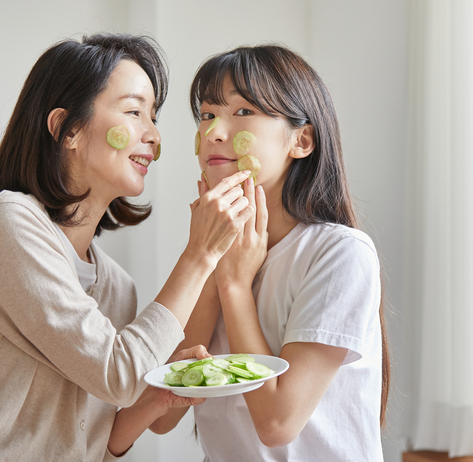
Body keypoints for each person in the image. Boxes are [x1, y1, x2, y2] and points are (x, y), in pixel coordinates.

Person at [0, 33, 254, 461]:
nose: (153, 136)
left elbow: (95, 445)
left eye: (153, 117)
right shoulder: (8, 223)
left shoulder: (117, 288)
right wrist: (200, 256)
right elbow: (118, 373)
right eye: (135, 111)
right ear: (67, 129)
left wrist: (157, 397)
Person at [149, 44, 390, 461]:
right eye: (207, 114)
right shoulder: (210, 253)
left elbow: (277, 423)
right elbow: (160, 416)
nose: (214, 133)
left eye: (243, 112)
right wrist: (209, 260)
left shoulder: (340, 254)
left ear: (302, 140)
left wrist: (236, 285)